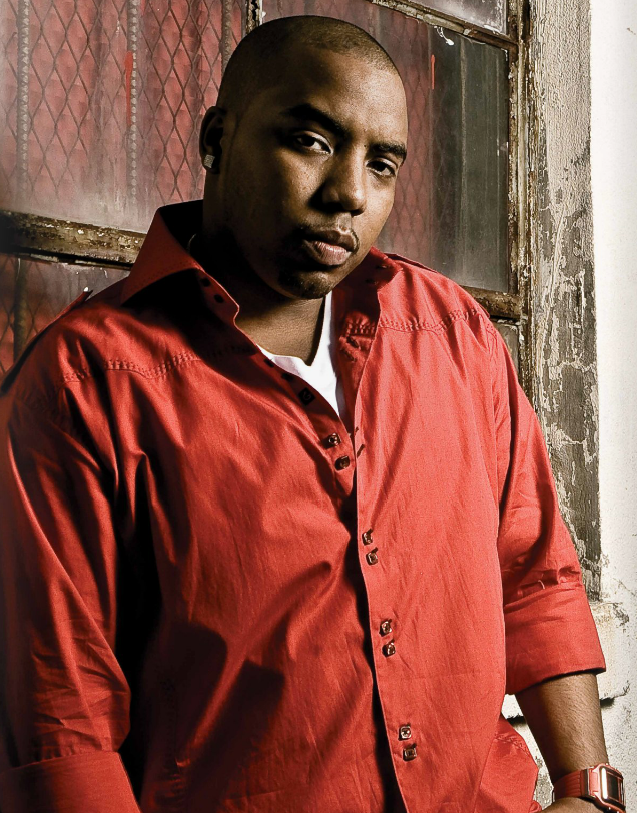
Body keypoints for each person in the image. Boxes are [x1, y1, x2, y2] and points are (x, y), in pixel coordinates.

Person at [0, 15, 622, 813]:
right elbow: (62, 724)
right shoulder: (82, 382)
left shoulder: (451, 332)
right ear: (217, 139)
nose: (349, 194)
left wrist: (589, 790)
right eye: (311, 141)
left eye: (382, 163)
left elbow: (534, 575)